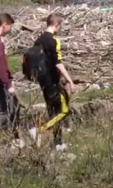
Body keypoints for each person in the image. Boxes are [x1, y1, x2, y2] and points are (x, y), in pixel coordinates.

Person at [36, 14, 76, 149]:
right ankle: (42, 130)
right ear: (56, 25)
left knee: (52, 112)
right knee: (63, 111)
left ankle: (58, 142)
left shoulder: (39, 40)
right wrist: (70, 80)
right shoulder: (52, 41)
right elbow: (57, 63)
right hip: (51, 81)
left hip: (42, 81)